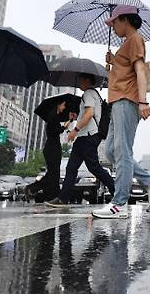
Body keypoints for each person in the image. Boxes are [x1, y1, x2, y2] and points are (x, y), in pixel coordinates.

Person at [92, 5, 150, 219]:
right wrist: (113, 63)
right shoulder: (127, 43)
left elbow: (140, 70)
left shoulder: (135, 39)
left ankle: (119, 204)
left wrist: (143, 101)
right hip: (117, 101)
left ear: (126, 20)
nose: (112, 26)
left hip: (127, 100)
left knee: (122, 152)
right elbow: (126, 71)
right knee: (112, 152)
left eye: (114, 22)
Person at [45, 73, 115, 208]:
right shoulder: (93, 95)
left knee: (94, 167)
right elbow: (87, 114)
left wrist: (74, 130)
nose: (79, 82)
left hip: (87, 136)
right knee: (71, 168)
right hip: (84, 137)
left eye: (81, 80)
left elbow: (89, 115)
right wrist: (76, 117)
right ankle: (63, 198)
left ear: (87, 80)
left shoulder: (89, 93)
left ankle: (117, 193)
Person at [25, 101, 76, 202]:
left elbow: (58, 130)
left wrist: (69, 121)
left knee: (53, 174)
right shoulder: (53, 117)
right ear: (58, 105)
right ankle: (33, 188)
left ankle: (49, 194)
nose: (64, 107)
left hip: (53, 147)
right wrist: (68, 122)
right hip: (52, 148)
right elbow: (57, 130)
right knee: (53, 173)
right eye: (63, 105)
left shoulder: (54, 117)